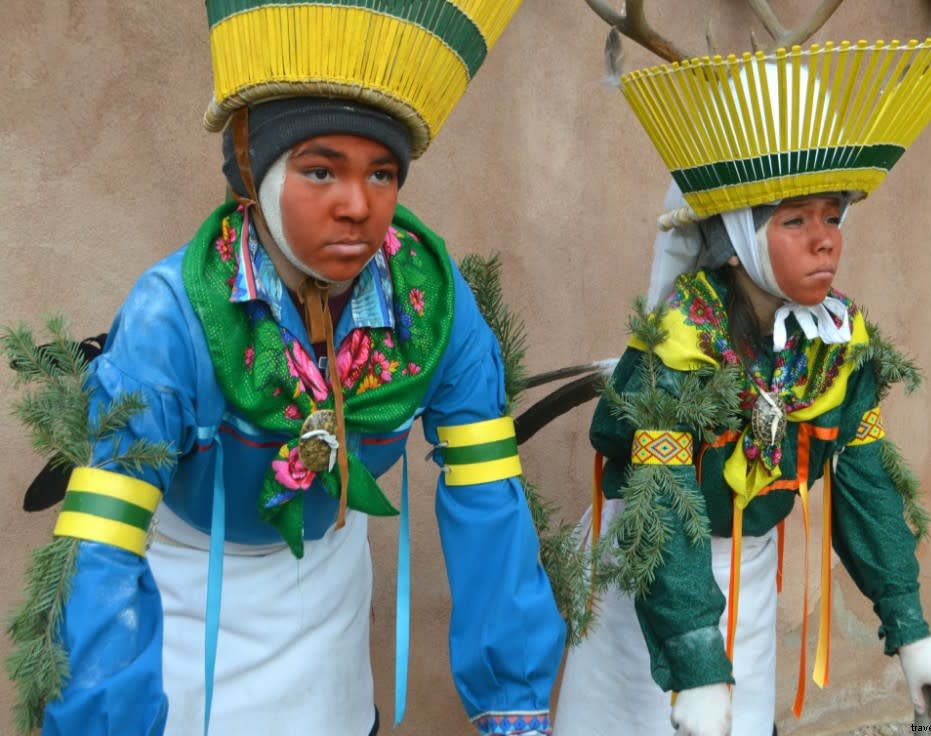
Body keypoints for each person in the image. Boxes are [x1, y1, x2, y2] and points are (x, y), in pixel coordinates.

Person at [25, 2, 566, 735]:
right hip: (181, 603)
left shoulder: (435, 305)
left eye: (383, 173)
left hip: (327, 603)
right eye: (319, 170)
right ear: (255, 171)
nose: (358, 206)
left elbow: (489, 499)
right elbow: (102, 547)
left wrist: (515, 704)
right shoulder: (173, 315)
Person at [554, 35, 931, 736]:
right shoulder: (681, 344)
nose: (826, 239)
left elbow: (863, 481)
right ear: (737, 241)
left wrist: (910, 629)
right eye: (795, 219)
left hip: (749, 594)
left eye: (833, 215)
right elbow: (662, 507)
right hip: (651, 595)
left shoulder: (837, 347)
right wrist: (695, 662)